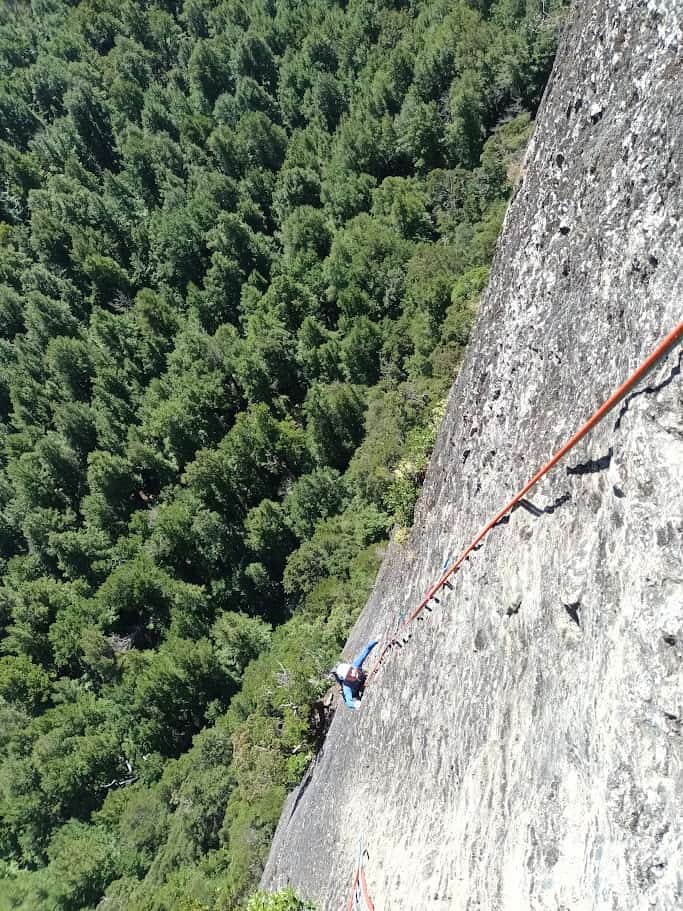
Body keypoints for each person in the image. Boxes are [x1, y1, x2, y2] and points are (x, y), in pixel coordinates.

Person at [331, 639, 379, 709]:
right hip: (354, 691)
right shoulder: (346, 688)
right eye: (349, 675)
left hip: (359, 680)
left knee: (360, 673)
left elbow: (365, 651)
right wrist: (355, 704)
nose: (353, 674)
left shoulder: (355, 665)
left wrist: (375, 641)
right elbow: (348, 702)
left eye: (351, 671)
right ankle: (337, 676)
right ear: (346, 679)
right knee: (343, 688)